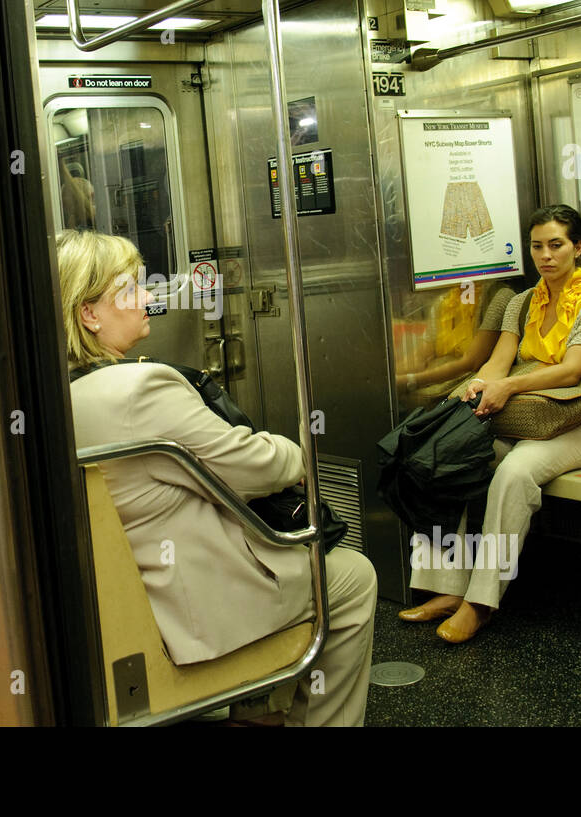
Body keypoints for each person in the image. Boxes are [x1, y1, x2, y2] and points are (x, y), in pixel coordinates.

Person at [59, 228, 377, 726]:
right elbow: (257, 468)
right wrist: (292, 451)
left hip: (125, 598)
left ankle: (260, 713)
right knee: (353, 577)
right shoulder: (138, 388)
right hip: (188, 607)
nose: (147, 298)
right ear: (89, 314)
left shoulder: (57, 395)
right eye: (130, 289)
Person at [401, 205, 581, 643]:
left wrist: (508, 390)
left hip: (575, 423)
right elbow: (499, 363)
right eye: (537, 246)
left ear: (578, 248)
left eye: (557, 245)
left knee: (514, 474)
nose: (546, 255)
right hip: (521, 420)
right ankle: (445, 589)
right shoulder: (522, 303)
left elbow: (570, 372)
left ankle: (480, 601)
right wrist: (479, 384)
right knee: (451, 458)